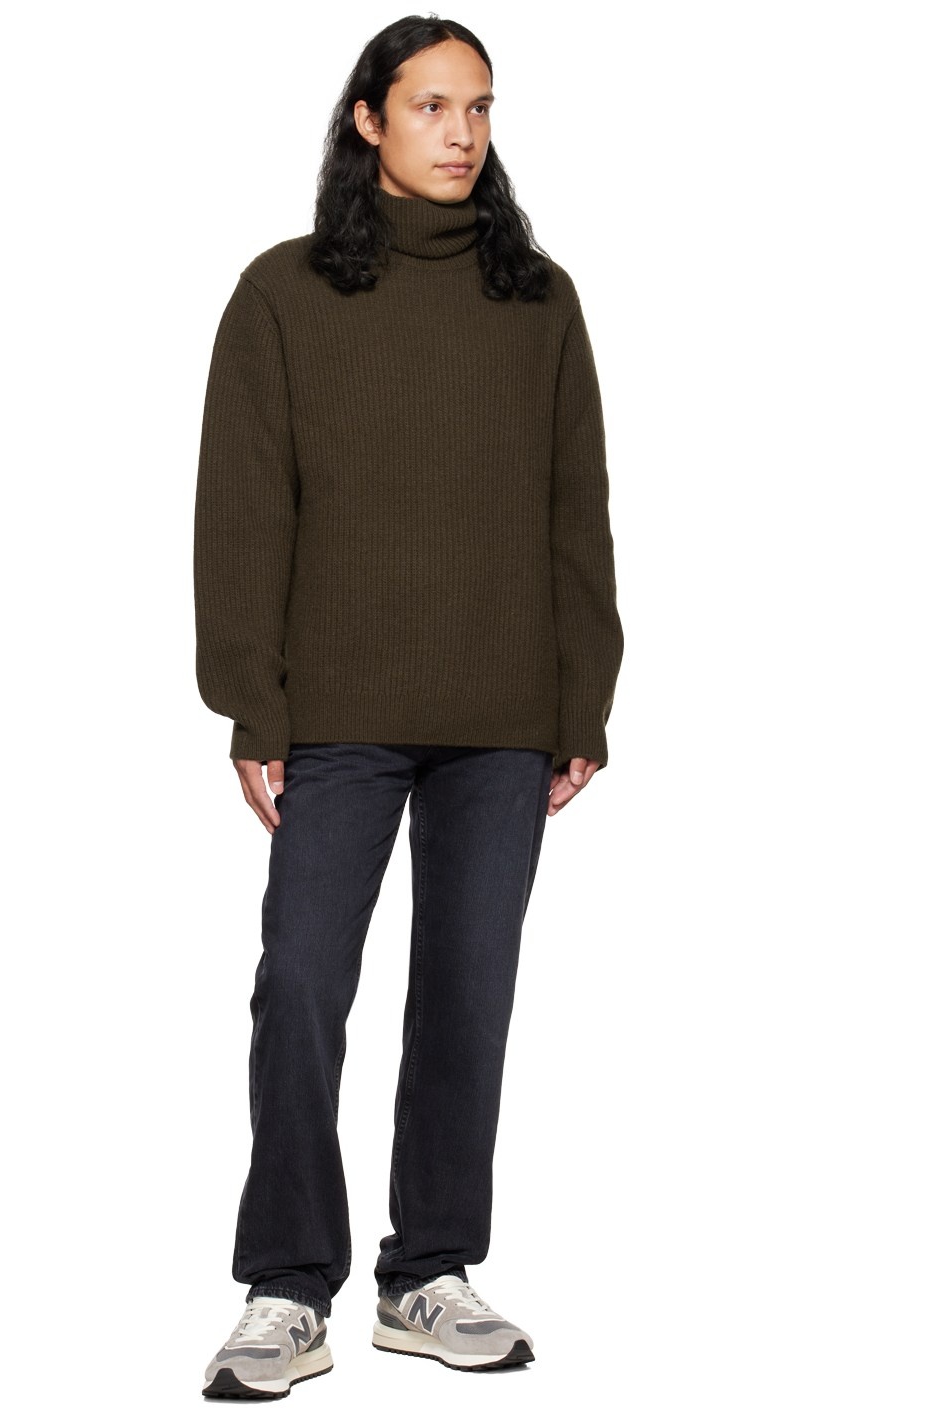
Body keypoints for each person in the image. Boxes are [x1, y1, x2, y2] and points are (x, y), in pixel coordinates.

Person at [193, 14, 624, 1400]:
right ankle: (285, 1288)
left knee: (466, 999)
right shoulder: (284, 293)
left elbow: (575, 512)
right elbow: (243, 511)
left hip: (504, 713)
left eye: (479, 107)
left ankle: (427, 1274)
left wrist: (583, 699)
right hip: (338, 712)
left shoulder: (537, 299)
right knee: (301, 987)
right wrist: (251, 706)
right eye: (431, 105)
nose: (461, 132)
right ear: (367, 120)